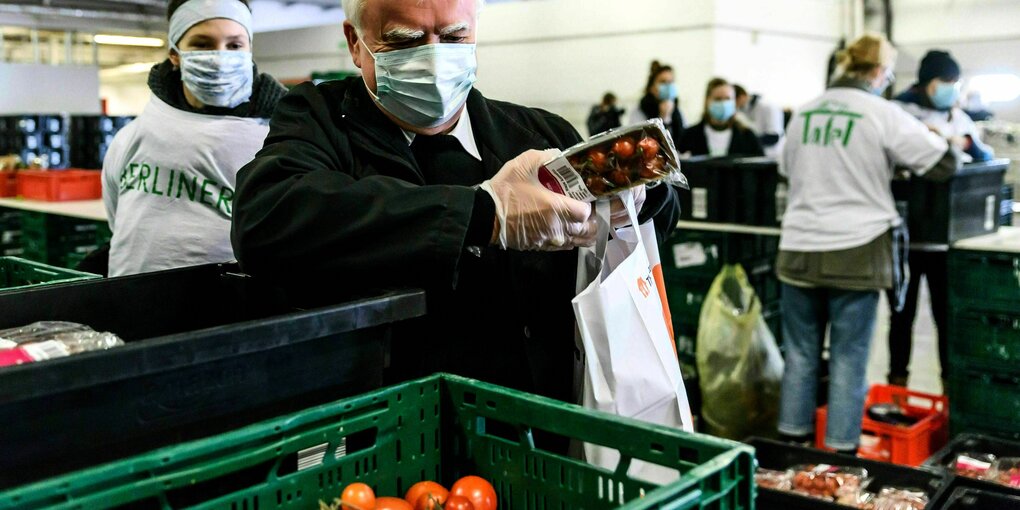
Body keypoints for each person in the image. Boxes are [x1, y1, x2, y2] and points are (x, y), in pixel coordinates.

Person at [230, 0, 681, 404]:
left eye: (453, 37)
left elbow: (646, 236)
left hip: (544, 423)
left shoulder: (540, 134)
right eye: (403, 40)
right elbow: (267, 217)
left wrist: (641, 199)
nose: (433, 55)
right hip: (400, 428)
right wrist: (484, 213)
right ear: (355, 42)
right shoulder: (320, 120)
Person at [775, 34, 960, 454]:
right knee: (848, 357)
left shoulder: (805, 112)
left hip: (799, 248)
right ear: (879, 72)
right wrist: (937, 137)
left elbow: (783, 165)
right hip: (856, 251)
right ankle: (839, 459)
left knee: (800, 356)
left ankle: (790, 452)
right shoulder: (882, 113)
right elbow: (943, 164)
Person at [102, 0, 287, 277]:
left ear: (249, 50)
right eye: (202, 44)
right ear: (174, 54)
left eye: (234, 45)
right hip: (130, 304)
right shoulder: (133, 136)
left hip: (235, 309)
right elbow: (116, 216)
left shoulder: (280, 136)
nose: (219, 56)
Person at [887, 50, 995, 388]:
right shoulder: (899, 112)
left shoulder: (957, 116)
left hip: (945, 234)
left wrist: (958, 141)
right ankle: (897, 383)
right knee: (902, 314)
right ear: (926, 82)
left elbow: (981, 155)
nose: (949, 89)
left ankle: (949, 387)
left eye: (953, 83)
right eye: (943, 82)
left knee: (945, 315)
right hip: (907, 233)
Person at [677, 78, 764, 158]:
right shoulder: (689, 136)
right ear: (707, 101)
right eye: (718, 99)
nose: (723, 103)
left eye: (727, 99)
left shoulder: (748, 137)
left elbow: (763, 170)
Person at [629, 60, 685, 144]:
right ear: (652, 87)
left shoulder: (677, 111)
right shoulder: (639, 111)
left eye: (671, 82)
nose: (668, 86)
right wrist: (663, 118)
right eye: (663, 82)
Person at [734, 84, 786, 157]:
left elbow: (773, 137)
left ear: (742, 96)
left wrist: (748, 143)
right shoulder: (741, 110)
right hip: (756, 155)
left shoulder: (767, 106)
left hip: (772, 155)